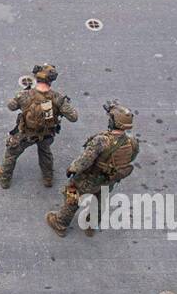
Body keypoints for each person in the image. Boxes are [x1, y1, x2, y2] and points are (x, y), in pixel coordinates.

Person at [46, 101, 138, 238]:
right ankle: (91, 226)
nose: (109, 120)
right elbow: (130, 158)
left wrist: (72, 168)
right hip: (109, 180)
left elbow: (85, 160)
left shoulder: (101, 140)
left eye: (111, 118)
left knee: (72, 196)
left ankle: (60, 223)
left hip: (89, 179)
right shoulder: (132, 143)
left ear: (116, 123)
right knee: (100, 201)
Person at [0, 64, 78, 189]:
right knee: (45, 152)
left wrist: (22, 95)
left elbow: (11, 106)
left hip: (25, 134)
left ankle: (4, 179)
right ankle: (48, 178)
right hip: (46, 134)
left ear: (36, 77)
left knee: (11, 154)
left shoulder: (24, 95)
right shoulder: (57, 97)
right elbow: (73, 117)